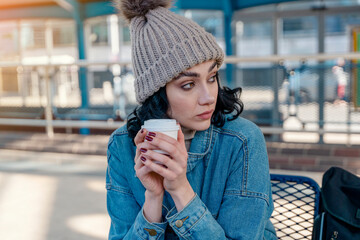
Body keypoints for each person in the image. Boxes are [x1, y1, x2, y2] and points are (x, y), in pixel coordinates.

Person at [106, 0, 277, 239]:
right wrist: (153, 199)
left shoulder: (242, 140)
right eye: (188, 85)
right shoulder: (123, 145)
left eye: (212, 77)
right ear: (156, 93)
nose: (209, 97)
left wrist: (180, 188)